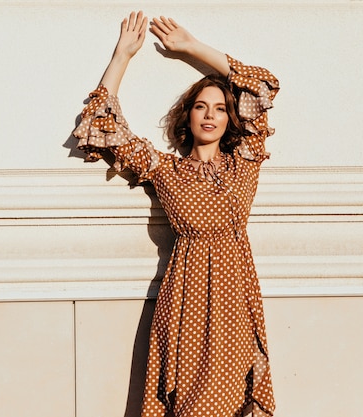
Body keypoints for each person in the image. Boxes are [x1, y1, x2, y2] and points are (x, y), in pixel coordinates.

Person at [73, 11, 280, 417]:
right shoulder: (166, 170)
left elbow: (260, 85)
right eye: (200, 107)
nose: (209, 115)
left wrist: (192, 47)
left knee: (234, 397)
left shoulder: (244, 162)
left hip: (235, 297)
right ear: (188, 115)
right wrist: (122, 56)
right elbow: (101, 125)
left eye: (219, 108)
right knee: (187, 398)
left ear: (229, 118)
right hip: (185, 298)